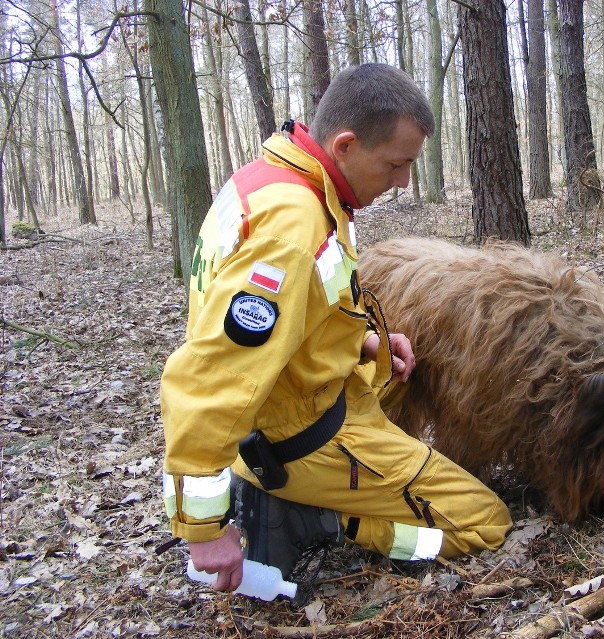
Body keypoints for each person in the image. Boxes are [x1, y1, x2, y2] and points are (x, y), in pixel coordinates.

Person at [160, 63, 512, 594]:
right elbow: (212, 378)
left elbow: (308, 305)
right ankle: (326, 520)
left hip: (305, 415)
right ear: (345, 144)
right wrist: (203, 529)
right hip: (307, 442)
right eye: (396, 164)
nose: (402, 182)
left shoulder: (283, 183)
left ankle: (305, 499)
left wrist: (365, 340)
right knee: (485, 521)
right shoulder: (292, 226)